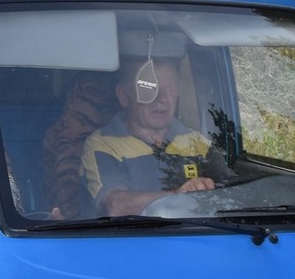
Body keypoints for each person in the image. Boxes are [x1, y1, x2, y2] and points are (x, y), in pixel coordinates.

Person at [80, 41, 233, 216]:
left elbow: (234, 193)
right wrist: (178, 196)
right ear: (124, 96)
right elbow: (115, 206)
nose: (162, 99)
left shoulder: (197, 143)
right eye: (149, 89)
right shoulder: (103, 144)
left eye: (170, 89)